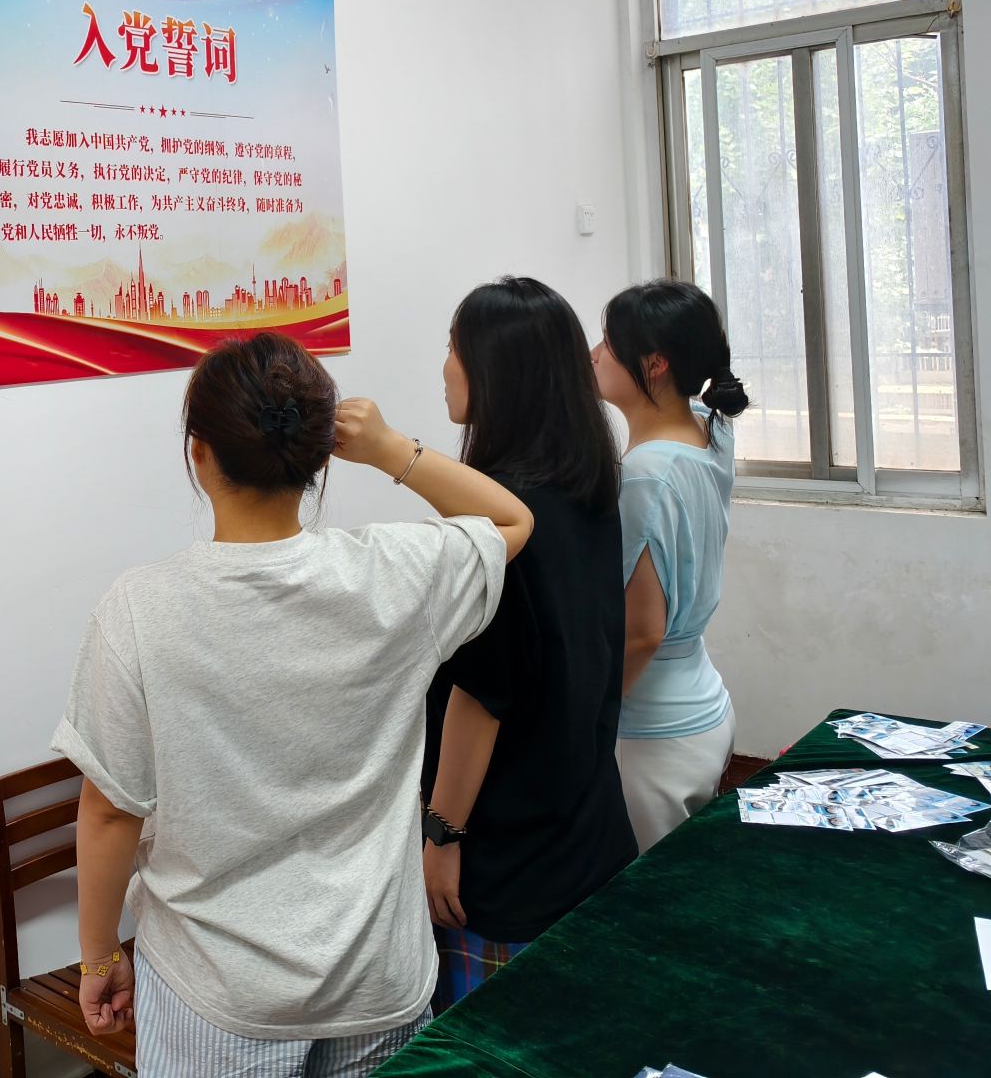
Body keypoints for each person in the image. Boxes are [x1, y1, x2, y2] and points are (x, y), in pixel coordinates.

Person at [52, 331, 534, 1076]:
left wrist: (96, 956)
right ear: (319, 458)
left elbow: (112, 812)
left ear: (198, 453)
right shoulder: (397, 571)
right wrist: (389, 450)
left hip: (218, 991)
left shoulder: (140, 610)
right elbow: (512, 521)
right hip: (377, 975)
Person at [419, 278, 638, 1009]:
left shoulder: (495, 529)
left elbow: (481, 696)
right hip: (586, 823)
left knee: (496, 1041)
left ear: (496, 371)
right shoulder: (586, 483)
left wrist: (442, 835)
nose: (444, 367)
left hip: (510, 857)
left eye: (454, 349)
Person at [591, 278, 747, 851]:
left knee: (643, 893)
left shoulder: (646, 475)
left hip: (653, 733)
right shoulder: (711, 428)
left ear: (655, 364)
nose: (594, 354)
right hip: (702, 703)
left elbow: (643, 633)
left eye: (608, 343)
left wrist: (587, 722)